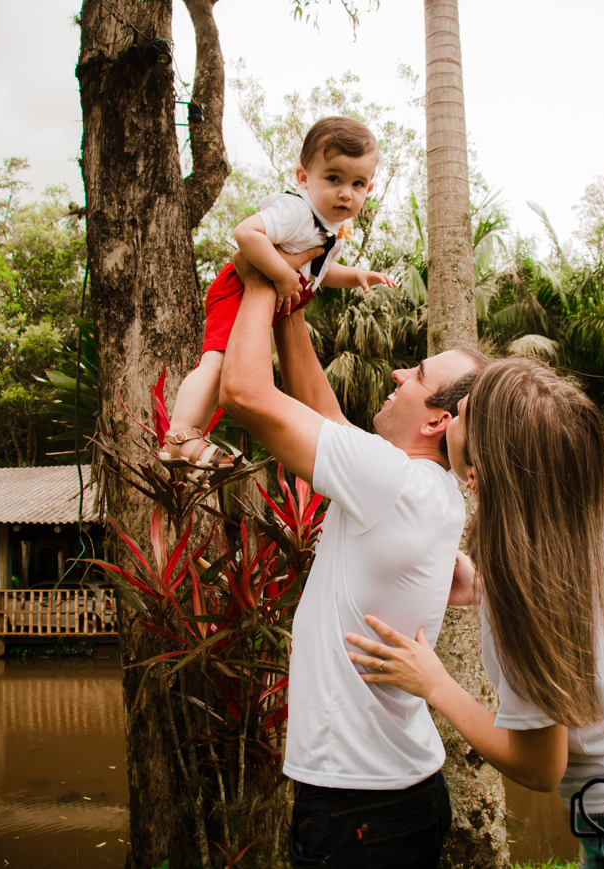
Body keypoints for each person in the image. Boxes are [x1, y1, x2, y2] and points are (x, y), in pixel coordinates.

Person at [345, 356, 604, 869]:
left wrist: (435, 684)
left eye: (461, 412)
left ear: (486, 466)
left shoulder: (524, 592)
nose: (451, 419)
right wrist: (483, 587)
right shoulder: (593, 499)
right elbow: (585, 609)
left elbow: (539, 767)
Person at [216, 244, 489, 868]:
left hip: (359, 809)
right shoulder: (425, 488)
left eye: (416, 377)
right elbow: (324, 414)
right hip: (391, 796)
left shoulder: (392, 482)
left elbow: (244, 394)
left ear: (436, 422)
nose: (398, 375)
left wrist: (263, 278)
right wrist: (292, 308)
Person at [161, 116, 395, 477]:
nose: (346, 192)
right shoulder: (297, 211)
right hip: (238, 290)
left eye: (358, 183)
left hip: (264, 299)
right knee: (217, 363)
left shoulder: (331, 226)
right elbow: (246, 234)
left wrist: (357, 276)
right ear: (303, 177)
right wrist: (283, 275)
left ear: (369, 187)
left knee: (227, 371)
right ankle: (179, 433)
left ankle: (191, 440)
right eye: (333, 178)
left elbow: (319, 271)